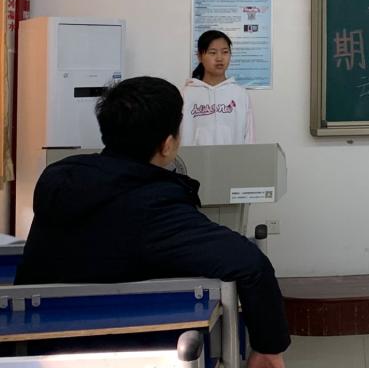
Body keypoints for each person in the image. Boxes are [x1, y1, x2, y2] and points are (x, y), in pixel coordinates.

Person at [15, 76, 289, 368]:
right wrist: (268, 347)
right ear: (168, 144)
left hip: (35, 354)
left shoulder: (59, 180)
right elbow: (249, 264)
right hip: (134, 355)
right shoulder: (156, 207)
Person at [181, 30, 254, 145]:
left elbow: (249, 137)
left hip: (233, 156)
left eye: (225, 52)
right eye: (213, 52)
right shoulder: (186, 94)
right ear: (199, 56)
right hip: (195, 157)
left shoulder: (240, 94)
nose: (219, 58)